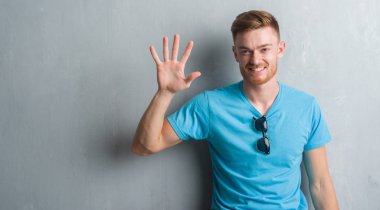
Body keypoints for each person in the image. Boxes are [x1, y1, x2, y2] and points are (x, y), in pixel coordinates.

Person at [131, 10, 339, 210]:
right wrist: (165, 93)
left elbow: (320, 183)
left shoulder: (306, 107)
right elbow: (144, 146)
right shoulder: (209, 105)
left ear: (280, 49)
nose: (255, 60)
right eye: (246, 51)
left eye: (264, 49)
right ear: (235, 54)